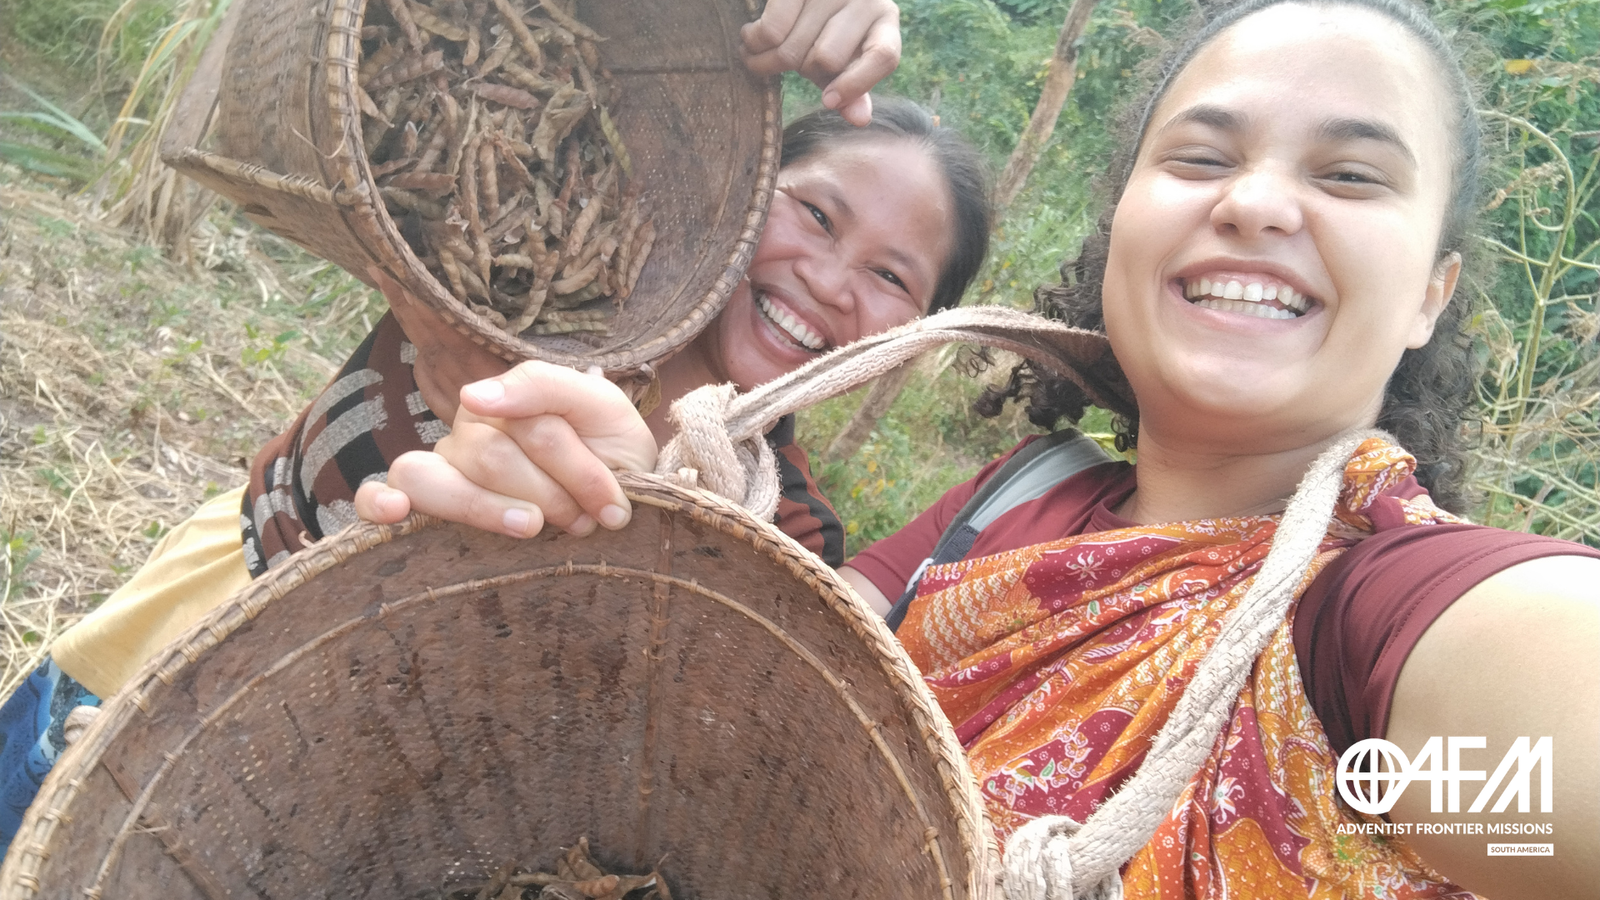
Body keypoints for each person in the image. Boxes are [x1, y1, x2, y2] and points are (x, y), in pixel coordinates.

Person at [352, 1, 1600, 898]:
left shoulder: (1386, 624)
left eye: (1351, 175)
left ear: (1432, 294)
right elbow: (737, 692)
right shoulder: (1013, 501)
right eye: (1201, 157)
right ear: (1122, 233)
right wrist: (608, 528)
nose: (1258, 202)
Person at [0, 0, 995, 856]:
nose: (829, 281)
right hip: (158, 641)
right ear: (739, 194)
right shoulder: (543, 261)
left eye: (889, 277)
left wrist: (625, 511)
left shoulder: (791, 531)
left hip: (316, 788)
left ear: (913, 338)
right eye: (817, 217)